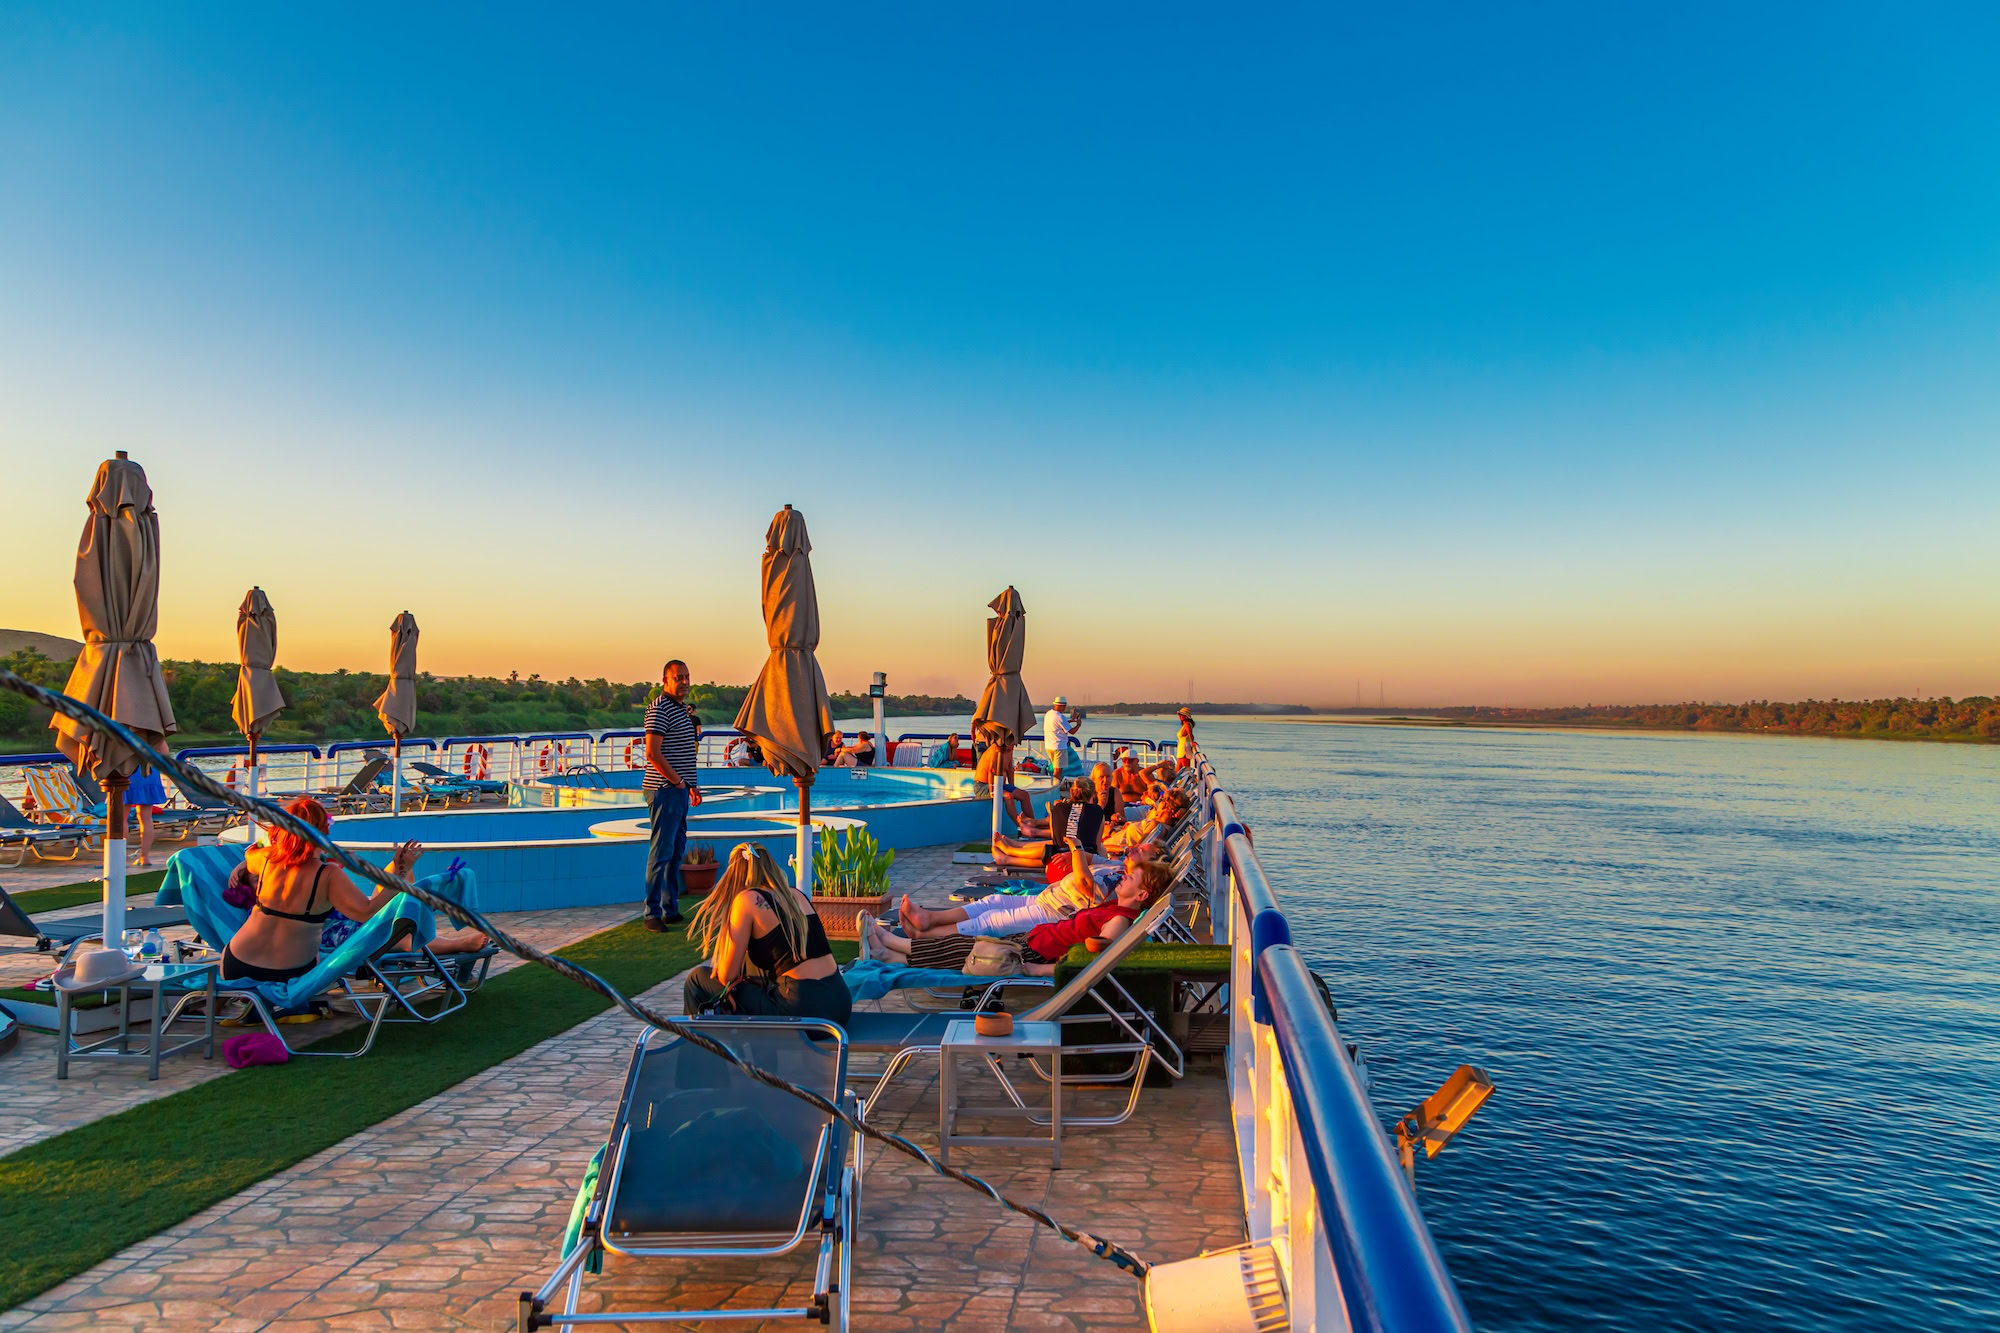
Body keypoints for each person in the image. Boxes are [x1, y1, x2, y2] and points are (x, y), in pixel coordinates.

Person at [226, 797, 486, 982]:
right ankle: (447, 940)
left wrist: (241, 865)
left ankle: (400, 876)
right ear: (323, 832)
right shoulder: (327, 874)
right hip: (291, 973)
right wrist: (402, 877)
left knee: (389, 903)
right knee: (384, 925)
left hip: (236, 963)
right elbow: (367, 913)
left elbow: (252, 852)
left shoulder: (265, 859)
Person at [862, 859, 1168, 973]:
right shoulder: (1115, 908)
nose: (1124, 878)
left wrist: (1041, 972)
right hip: (1035, 939)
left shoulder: (1119, 921)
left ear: (1142, 895)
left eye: (1131, 878)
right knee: (968, 948)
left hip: (1035, 953)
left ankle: (890, 943)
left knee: (966, 949)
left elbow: (1095, 961)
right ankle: (892, 957)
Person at [683, 843, 850, 1023]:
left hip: (802, 1008)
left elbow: (726, 976)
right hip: (839, 1004)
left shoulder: (747, 900)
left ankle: (696, 1048)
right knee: (750, 968)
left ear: (734, 876)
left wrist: (731, 986)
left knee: (697, 980)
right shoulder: (796, 895)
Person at [898, 841, 1156, 941]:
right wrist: (1079, 856)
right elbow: (1090, 861)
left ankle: (925, 937)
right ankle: (929, 919)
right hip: (1048, 899)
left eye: (1144, 850)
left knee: (991, 921)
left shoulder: (1123, 889)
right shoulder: (1118, 867)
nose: (1136, 847)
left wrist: (1076, 849)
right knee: (992, 901)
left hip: (1057, 913)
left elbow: (1086, 886)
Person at [642, 659, 701, 931]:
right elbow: (653, 754)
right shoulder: (659, 709)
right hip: (664, 790)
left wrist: (691, 785)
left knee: (676, 851)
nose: (685, 682)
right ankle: (651, 913)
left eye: (687, 677)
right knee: (661, 851)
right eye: (679, 677)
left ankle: (670, 908)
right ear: (665, 680)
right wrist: (677, 782)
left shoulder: (681, 711)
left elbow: (683, 753)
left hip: (678, 789)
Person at [991, 779, 1103, 867]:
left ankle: (1011, 851)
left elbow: (1056, 839)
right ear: (1093, 794)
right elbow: (1096, 845)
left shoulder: (1059, 808)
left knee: (1056, 851)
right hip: (1084, 864)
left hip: (1058, 864)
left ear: (1071, 792)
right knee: (1066, 850)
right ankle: (1010, 853)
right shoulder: (1098, 811)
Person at [1101, 787, 1191, 856]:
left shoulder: (1157, 827)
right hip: (1110, 844)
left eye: (1162, 800)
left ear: (1165, 806)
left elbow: (1137, 850)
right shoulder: (1159, 824)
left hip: (1109, 853)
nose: (1158, 803)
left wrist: (1103, 845)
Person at [973, 741, 1034, 829]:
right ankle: (1020, 826)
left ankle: (1034, 824)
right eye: (1011, 744)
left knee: (1024, 795)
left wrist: (1013, 788)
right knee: (1008, 796)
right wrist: (992, 791)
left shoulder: (1009, 750)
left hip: (1000, 785)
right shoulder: (995, 750)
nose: (1012, 748)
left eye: (1014, 745)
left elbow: (1010, 769)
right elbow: (991, 771)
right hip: (983, 785)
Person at [124, 757, 167, 868]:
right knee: (146, 818)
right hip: (149, 771)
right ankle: (144, 857)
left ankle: (118, 856)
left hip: (128, 770)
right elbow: (164, 753)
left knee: (120, 818)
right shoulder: (154, 738)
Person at [1043, 696, 1076, 779]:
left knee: (1055, 769)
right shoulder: (1060, 716)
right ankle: (1055, 789)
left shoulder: (1049, 714)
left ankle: (1054, 787)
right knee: (1058, 771)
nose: (1065, 708)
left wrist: (1071, 720)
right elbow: (1072, 731)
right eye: (1064, 706)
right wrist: (1078, 724)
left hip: (1049, 746)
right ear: (1061, 705)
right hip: (1059, 747)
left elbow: (1058, 723)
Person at [1090, 762, 1125, 831]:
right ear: (1094, 779)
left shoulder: (1115, 792)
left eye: (1108, 777)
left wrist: (1118, 818)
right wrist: (1100, 805)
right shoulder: (1089, 793)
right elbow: (1089, 820)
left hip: (1113, 828)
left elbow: (1122, 818)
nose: (1105, 781)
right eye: (1101, 777)